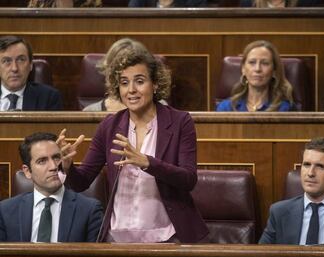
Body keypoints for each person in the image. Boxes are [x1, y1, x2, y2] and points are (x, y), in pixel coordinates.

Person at [58, 39, 208, 243]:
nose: (131, 90)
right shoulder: (109, 126)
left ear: (155, 84)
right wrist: (67, 167)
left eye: (139, 81)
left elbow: (188, 180)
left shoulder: (180, 122)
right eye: (124, 83)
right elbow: (81, 182)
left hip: (168, 236)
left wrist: (148, 162)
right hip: (117, 238)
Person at [0, 132, 103, 242]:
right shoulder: (5, 211)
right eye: (42, 161)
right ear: (27, 171)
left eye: (57, 158)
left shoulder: (89, 210)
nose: (54, 167)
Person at [216, 40, 295, 112]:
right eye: (252, 62)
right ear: (243, 69)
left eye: (265, 63)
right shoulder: (226, 108)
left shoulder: (285, 108)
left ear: (274, 71)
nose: (257, 69)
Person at [0, 36, 63, 111]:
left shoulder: (49, 98)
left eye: (21, 60)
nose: (14, 68)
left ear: (30, 65)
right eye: (7, 61)